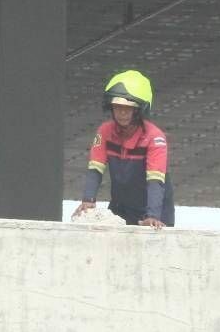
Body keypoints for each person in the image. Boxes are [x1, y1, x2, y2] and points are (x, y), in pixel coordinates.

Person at [74, 70, 174, 228]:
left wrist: (152, 216)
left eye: (128, 108)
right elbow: (95, 169)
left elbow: (155, 180)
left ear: (140, 109)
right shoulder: (104, 131)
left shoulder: (155, 137)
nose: (122, 112)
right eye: (117, 107)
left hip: (156, 214)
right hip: (120, 209)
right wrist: (88, 200)